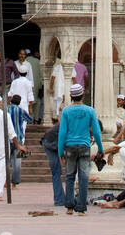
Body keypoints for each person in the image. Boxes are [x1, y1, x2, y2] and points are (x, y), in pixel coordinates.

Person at [57, 83, 104, 216]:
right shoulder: (90, 111)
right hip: (84, 145)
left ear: (71, 96)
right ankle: (81, 208)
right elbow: (96, 131)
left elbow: (62, 133)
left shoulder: (66, 111)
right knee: (83, 177)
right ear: (82, 95)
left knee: (70, 176)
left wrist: (60, 151)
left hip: (69, 146)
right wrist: (100, 148)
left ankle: (69, 207)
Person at [8, 93, 33, 185]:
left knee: (5, 160)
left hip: (7, 138)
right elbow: (30, 119)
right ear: (19, 102)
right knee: (17, 161)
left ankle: (4, 180)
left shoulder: (6, 109)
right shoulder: (20, 110)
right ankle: (15, 182)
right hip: (18, 139)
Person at [40, 120, 65, 207]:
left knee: (58, 172)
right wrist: (62, 153)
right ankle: (59, 199)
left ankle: (62, 198)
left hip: (55, 141)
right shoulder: (73, 123)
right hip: (50, 142)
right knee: (56, 171)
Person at [27, 49, 44, 122]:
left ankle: (29, 119)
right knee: (36, 101)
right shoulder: (37, 61)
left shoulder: (24, 62)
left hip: (28, 85)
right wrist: (42, 85)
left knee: (28, 102)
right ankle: (35, 119)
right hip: (36, 85)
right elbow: (41, 75)